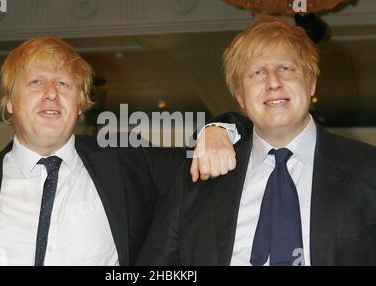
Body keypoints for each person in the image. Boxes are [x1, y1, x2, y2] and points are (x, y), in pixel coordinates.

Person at [0, 37, 239, 266]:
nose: (50, 94)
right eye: (36, 82)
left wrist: (218, 130)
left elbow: (212, 160)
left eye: (63, 84)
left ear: (81, 106)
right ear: (9, 102)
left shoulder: (129, 162)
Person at [137, 15, 376, 266]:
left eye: (285, 68)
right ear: (240, 96)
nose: (273, 82)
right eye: (258, 73)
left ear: (311, 83)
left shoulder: (368, 170)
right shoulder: (196, 182)